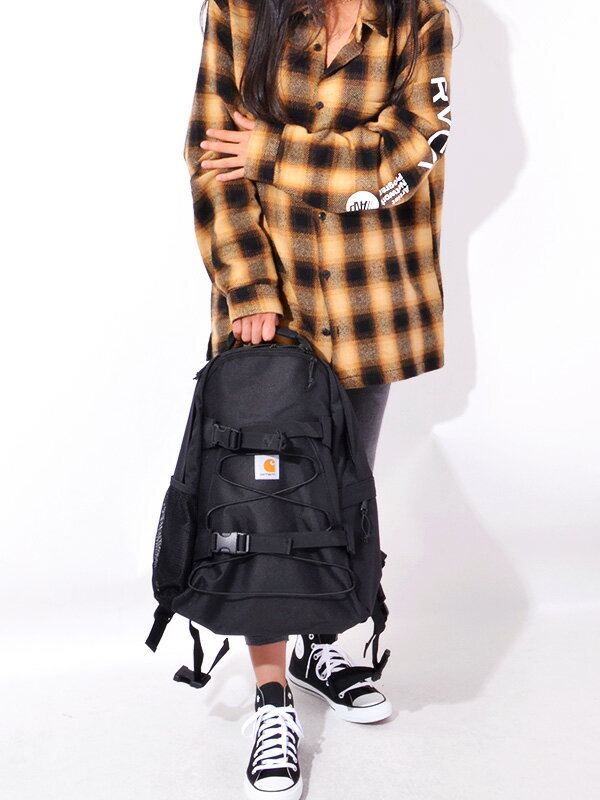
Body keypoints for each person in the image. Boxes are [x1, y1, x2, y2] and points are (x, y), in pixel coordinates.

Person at [183, 0, 454, 796]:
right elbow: (212, 156)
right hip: (273, 307)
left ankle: (319, 644)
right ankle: (271, 697)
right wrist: (248, 287)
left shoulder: (421, 16)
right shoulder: (240, 9)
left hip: (374, 302)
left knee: (340, 493)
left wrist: (271, 149)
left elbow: (408, 155)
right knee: (263, 508)